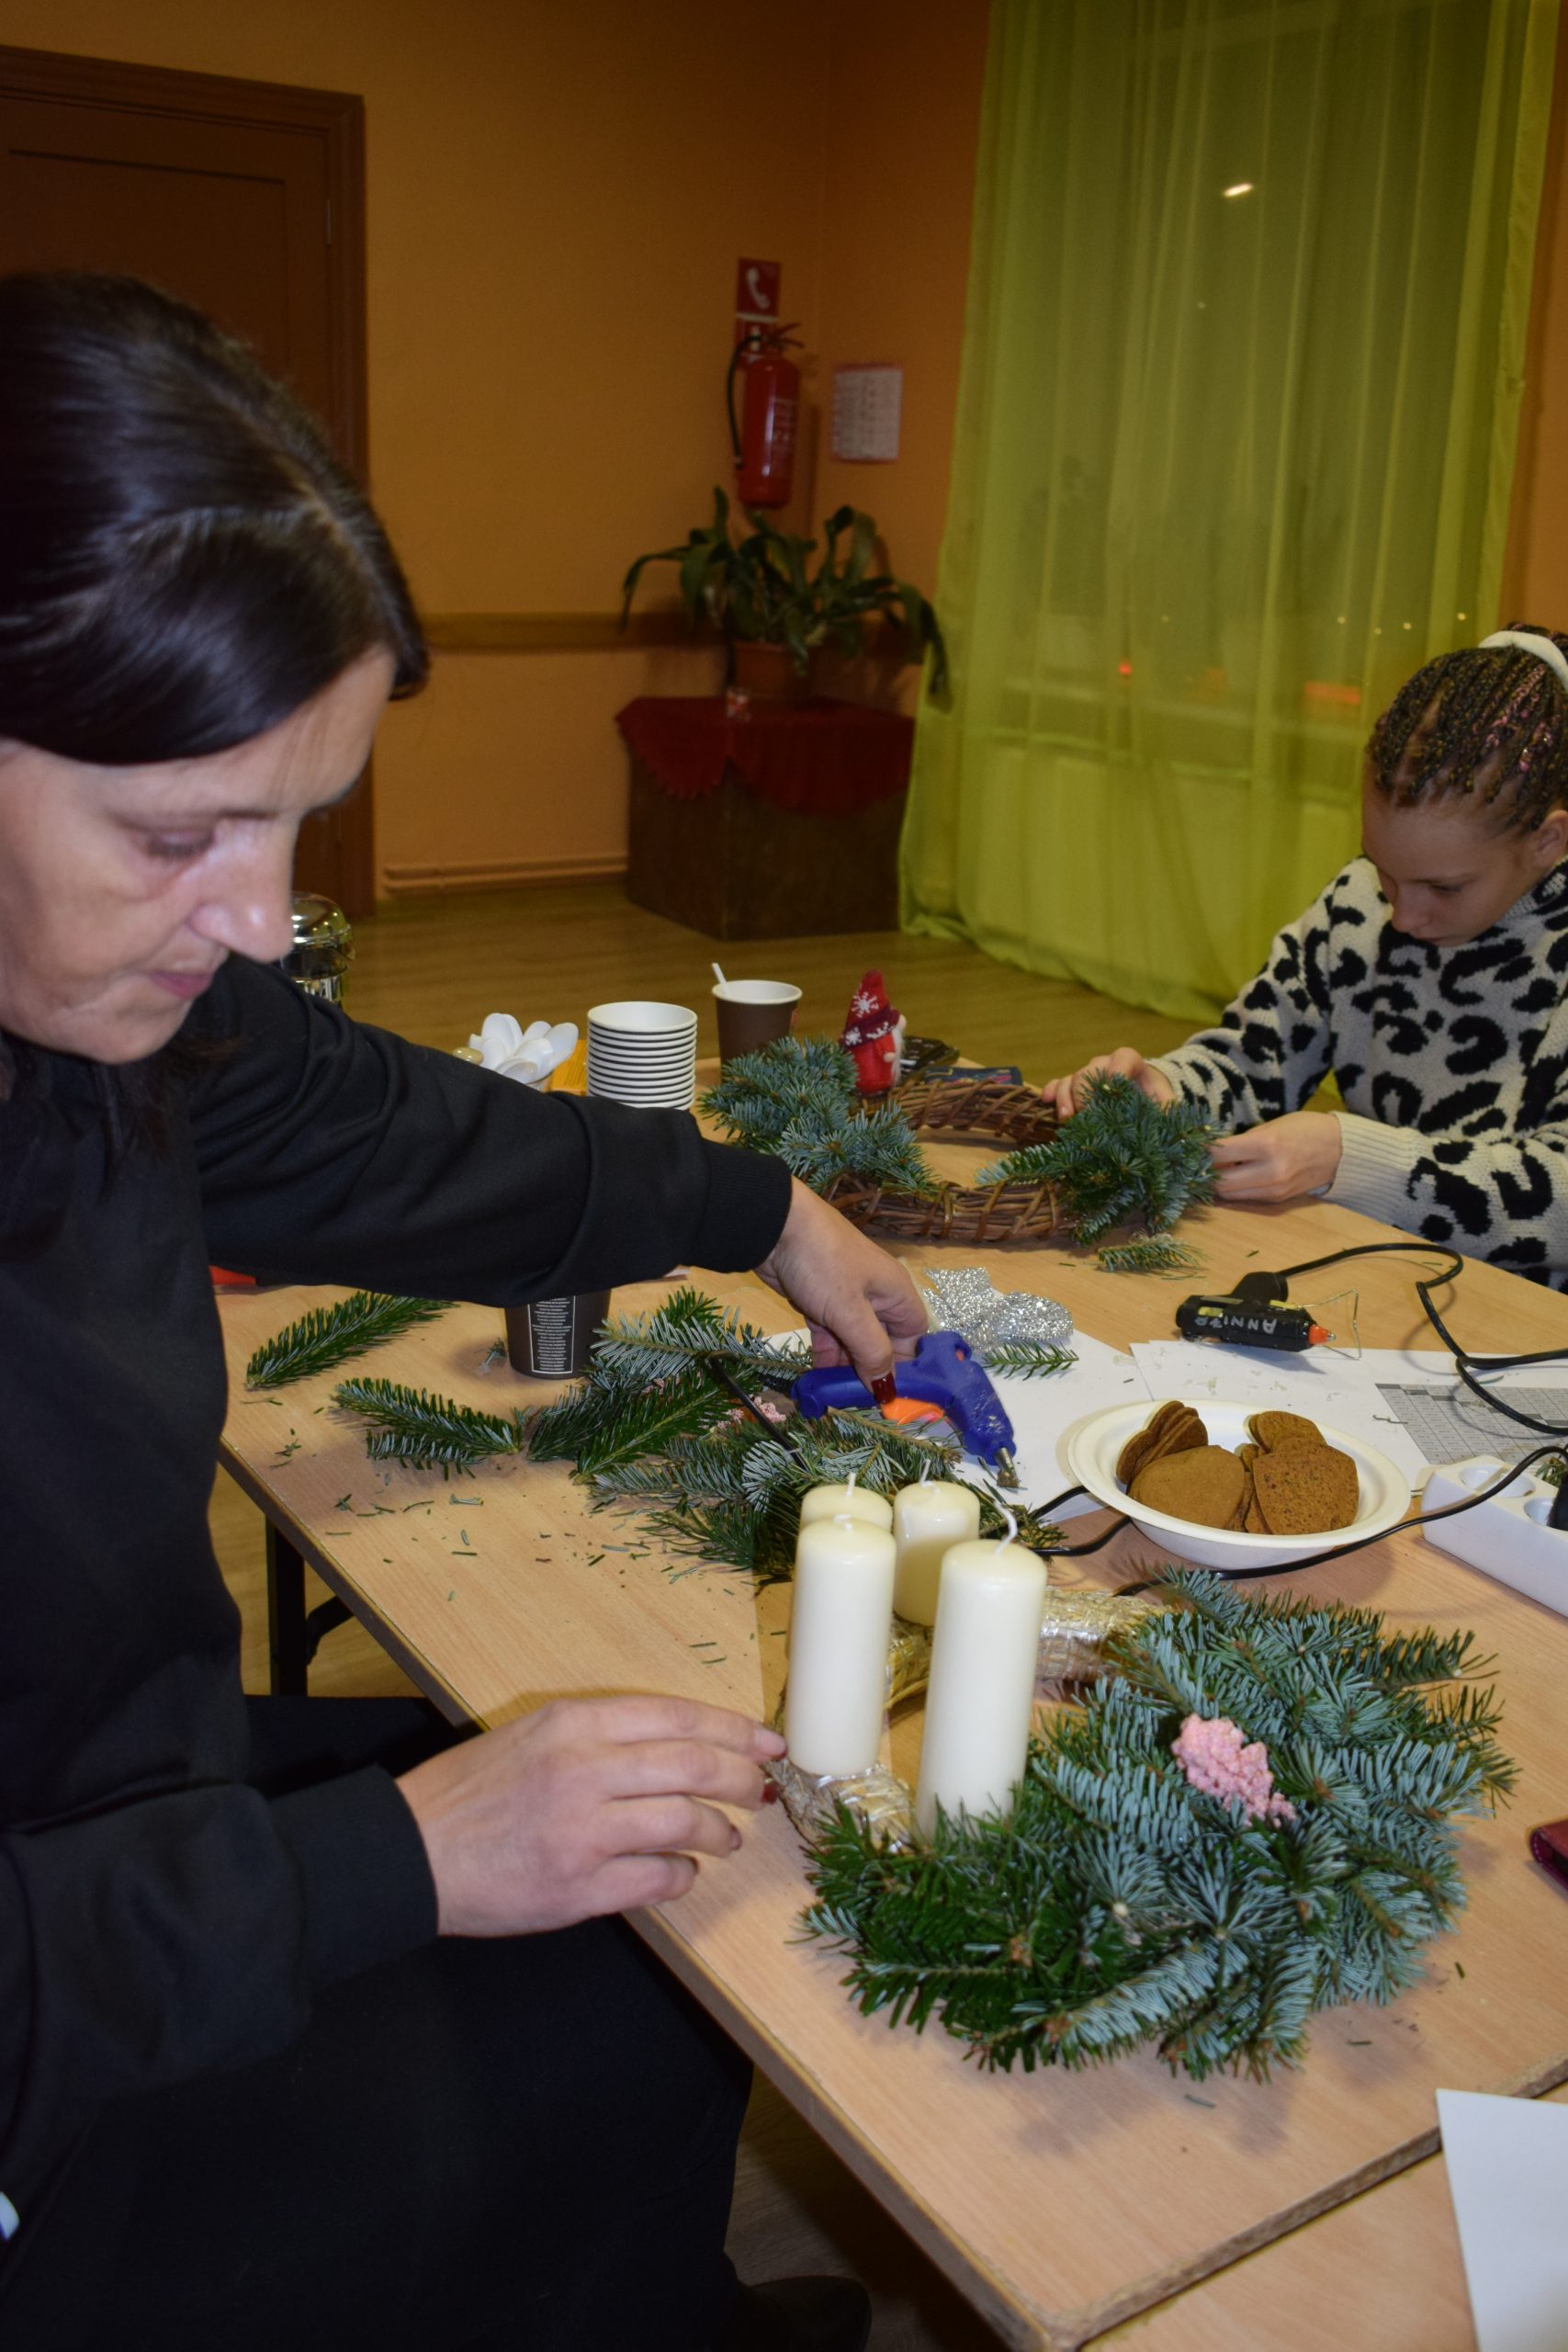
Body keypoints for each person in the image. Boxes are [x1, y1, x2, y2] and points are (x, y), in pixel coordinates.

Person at [0, 272, 927, 2352]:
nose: (262, 920)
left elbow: (378, 1125)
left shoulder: (99, 1012)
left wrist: (750, 1202)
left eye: (292, 821)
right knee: (618, 1971)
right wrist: (395, 1862)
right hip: (51, 2102)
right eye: (181, 831)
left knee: (657, 1866)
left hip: (118, 1798)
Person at [1045, 627, 1568, 1288]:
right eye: (1383, 869)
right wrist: (1165, 1089)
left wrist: (1351, 1158)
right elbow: (1252, 1063)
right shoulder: (1358, 905)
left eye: (1444, 888)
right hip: (1391, 1276)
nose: (1403, 916)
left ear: (1549, 841)